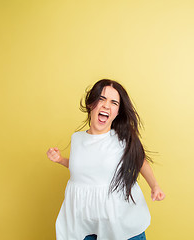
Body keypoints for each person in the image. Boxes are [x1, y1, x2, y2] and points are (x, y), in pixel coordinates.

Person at [46, 79, 165, 240]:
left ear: (117, 112)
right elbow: (83, 168)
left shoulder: (122, 139)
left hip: (121, 224)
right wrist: (60, 160)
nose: (106, 106)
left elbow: (140, 161)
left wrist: (155, 186)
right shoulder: (77, 138)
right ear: (91, 104)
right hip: (84, 225)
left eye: (114, 102)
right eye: (101, 99)